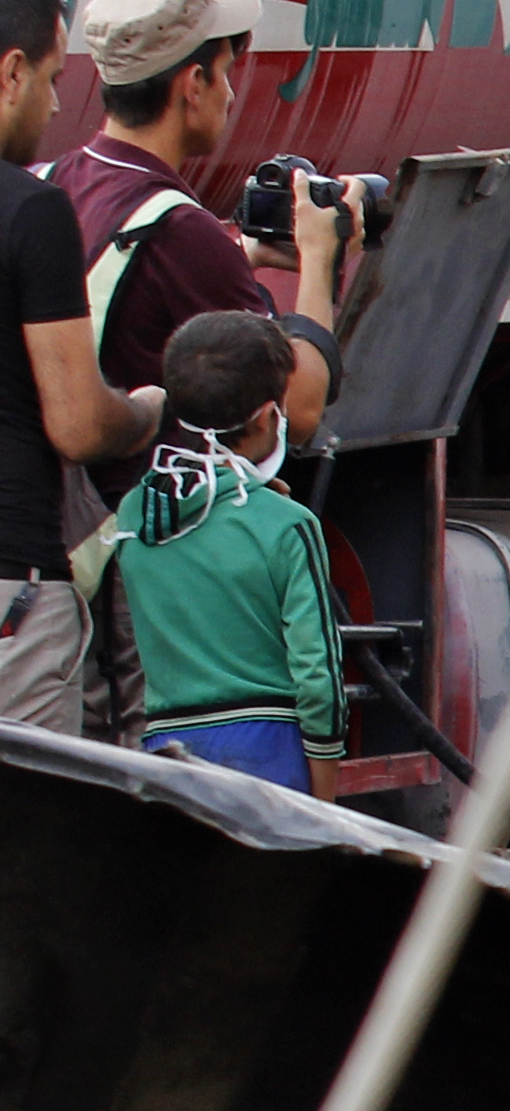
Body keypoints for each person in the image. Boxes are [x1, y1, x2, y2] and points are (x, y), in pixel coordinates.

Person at [58, 0, 343, 452]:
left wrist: (240, 259)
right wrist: (320, 259)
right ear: (193, 84)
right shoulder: (180, 231)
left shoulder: (55, 181)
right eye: (226, 71)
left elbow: (134, 304)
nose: (230, 94)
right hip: (143, 513)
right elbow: (296, 411)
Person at [0, 0, 159, 733]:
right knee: (29, 835)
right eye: (54, 78)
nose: (56, 104)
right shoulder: (32, 212)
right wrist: (143, 411)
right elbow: (75, 424)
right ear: (11, 72)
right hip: (11, 588)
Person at [107, 310, 337, 793]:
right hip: (269, 754)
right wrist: (327, 796)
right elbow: (319, 680)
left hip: (167, 754)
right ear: (266, 417)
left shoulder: (134, 516)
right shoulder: (289, 527)